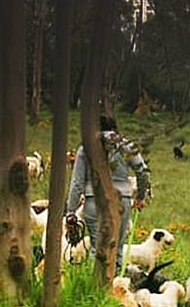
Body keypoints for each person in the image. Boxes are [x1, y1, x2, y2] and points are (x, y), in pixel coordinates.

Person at [65, 115, 152, 273]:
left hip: (93, 201)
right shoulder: (126, 146)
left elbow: (77, 183)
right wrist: (140, 196)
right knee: (117, 248)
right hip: (122, 201)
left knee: (96, 248)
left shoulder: (86, 149)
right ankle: (113, 291)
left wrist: (71, 212)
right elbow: (143, 172)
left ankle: (95, 290)